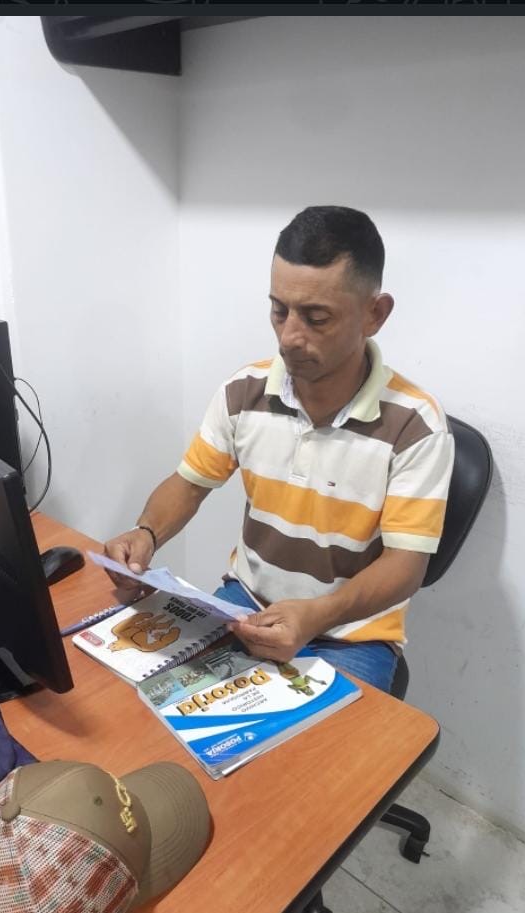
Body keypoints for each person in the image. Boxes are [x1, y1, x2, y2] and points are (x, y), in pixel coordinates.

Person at [104, 206, 454, 693]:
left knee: (323, 744)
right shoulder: (243, 391)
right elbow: (189, 484)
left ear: (374, 314)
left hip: (351, 634)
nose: (289, 337)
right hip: (246, 603)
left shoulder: (416, 426)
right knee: (142, 698)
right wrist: (146, 533)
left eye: (316, 318)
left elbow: (405, 566)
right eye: (279, 310)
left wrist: (317, 615)